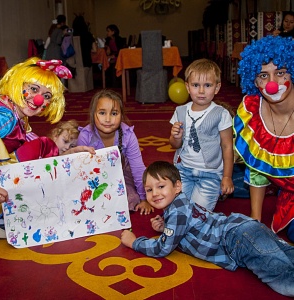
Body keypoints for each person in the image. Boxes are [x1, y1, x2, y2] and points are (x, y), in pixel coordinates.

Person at [121, 161, 294, 297]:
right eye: (149, 190)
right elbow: (189, 226)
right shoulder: (181, 204)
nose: (155, 194)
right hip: (244, 228)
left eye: (160, 187)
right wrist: (166, 227)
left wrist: (135, 242)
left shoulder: (177, 213)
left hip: (238, 238)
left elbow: (162, 248)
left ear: (178, 187)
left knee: (284, 280)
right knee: (288, 256)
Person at [0, 57, 93, 238]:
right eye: (33, 89)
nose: (39, 99)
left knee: (41, 148)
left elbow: (41, 154)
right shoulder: (4, 116)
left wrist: (69, 153)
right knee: (42, 145)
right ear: (17, 83)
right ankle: (1, 216)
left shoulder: (17, 113)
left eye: (47, 96)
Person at [234, 35, 294, 243]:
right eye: (263, 76)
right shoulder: (253, 112)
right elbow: (256, 171)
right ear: (254, 80)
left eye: (280, 73)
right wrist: (255, 220)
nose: (272, 84)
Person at [169, 58, 234, 211]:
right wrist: (175, 137)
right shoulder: (180, 111)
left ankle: (215, 193)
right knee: (177, 209)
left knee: (199, 214)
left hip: (210, 174)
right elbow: (174, 145)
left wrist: (227, 176)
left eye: (208, 85)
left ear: (217, 88)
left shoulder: (221, 113)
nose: (201, 91)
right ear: (187, 87)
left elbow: (227, 146)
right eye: (196, 85)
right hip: (184, 170)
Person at [77, 89, 153, 215]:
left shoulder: (128, 135)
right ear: (93, 114)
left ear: (121, 116)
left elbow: (138, 169)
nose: (108, 119)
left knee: (130, 199)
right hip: (94, 178)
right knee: (87, 200)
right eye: (102, 113)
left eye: (114, 113)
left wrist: (144, 198)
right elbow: (79, 171)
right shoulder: (85, 136)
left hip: (121, 174)